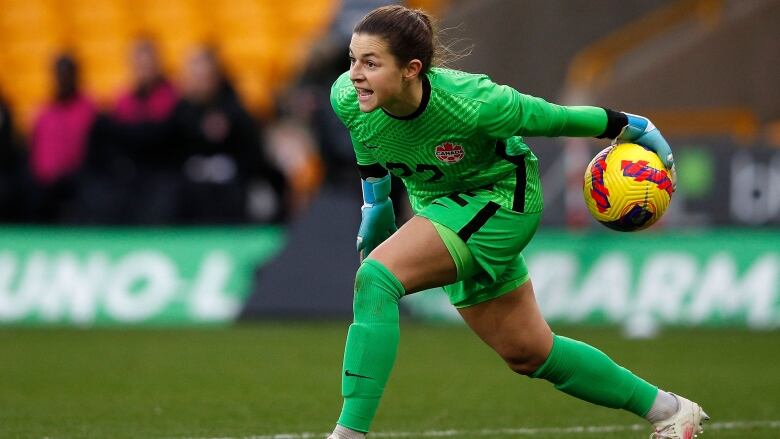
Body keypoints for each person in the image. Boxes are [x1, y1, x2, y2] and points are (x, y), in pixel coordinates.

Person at [327, 5, 706, 439]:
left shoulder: (475, 104)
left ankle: (348, 434)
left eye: (370, 63)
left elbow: (554, 118)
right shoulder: (348, 97)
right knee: (529, 352)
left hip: (504, 202)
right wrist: (374, 206)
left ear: (412, 69)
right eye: (353, 59)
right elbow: (369, 147)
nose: (354, 73)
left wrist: (631, 125)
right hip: (442, 209)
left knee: (376, 278)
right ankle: (670, 410)